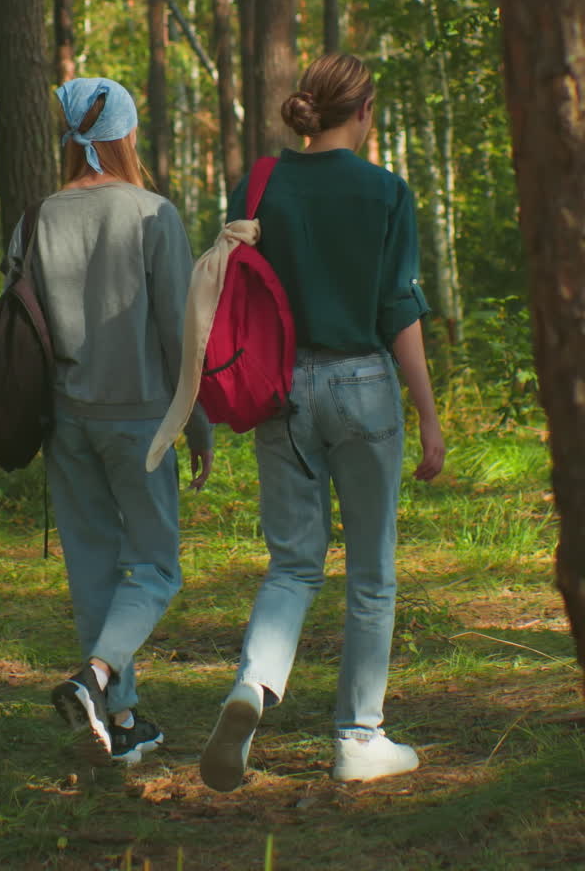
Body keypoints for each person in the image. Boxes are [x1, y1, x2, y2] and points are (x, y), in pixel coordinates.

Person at [198, 52, 445, 791]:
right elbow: (398, 311)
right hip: (364, 385)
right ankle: (358, 738)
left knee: (295, 563)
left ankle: (252, 687)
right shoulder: (385, 192)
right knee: (371, 573)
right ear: (363, 111)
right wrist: (429, 417)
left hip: (282, 389)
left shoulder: (259, 184)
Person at [6, 77, 213, 765]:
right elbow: (182, 334)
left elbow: (20, 327)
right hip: (143, 421)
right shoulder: (154, 214)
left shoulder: (35, 219)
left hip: (66, 421)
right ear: (124, 134)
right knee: (155, 567)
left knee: (93, 569)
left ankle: (120, 724)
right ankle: (96, 681)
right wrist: (200, 426)